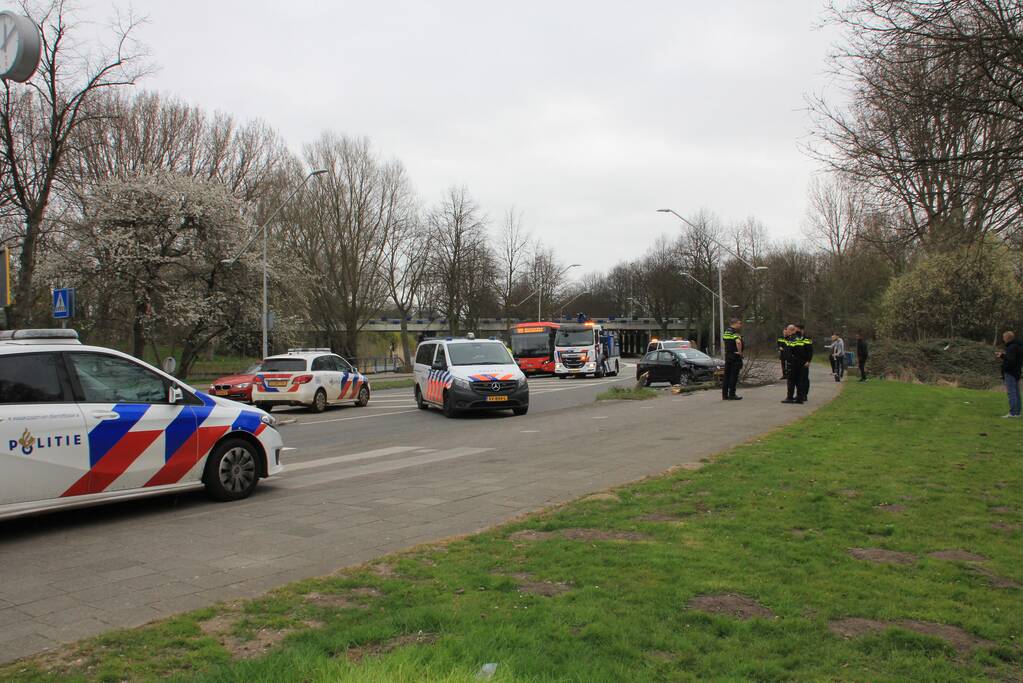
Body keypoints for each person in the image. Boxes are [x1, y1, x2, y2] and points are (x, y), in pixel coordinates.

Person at [996, 331, 1022, 418]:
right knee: (1016, 393)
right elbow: (1014, 359)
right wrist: (1003, 356)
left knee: (1011, 393)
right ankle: (1017, 412)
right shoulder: (1018, 346)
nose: (1003, 339)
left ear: (1007, 338)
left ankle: (1013, 413)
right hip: (1017, 372)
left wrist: (1005, 369)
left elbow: (1011, 361)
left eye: (1004, 337)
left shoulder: (1011, 347)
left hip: (1010, 372)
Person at [721, 318, 744, 401]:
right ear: (735, 323)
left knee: (726, 376)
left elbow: (725, 342)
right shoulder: (735, 332)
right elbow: (738, 342)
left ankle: (724, 395)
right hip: (735, 356)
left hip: (728, 356)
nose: (740, 325)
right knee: (733, 376)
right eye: (739, 323)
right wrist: (740, 352)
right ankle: (732, 394)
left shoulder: (726, 332)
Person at [781, 324, 800, 404]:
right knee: (798, 381)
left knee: (791, 381)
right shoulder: (798, 338)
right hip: (798, 362)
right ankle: (799, 397)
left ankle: (790, 397)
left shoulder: (792, 339)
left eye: (788, 330)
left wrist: (787, 357)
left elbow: (789, 351)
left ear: (791, 330)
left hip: (792, 363)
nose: (786, 332)